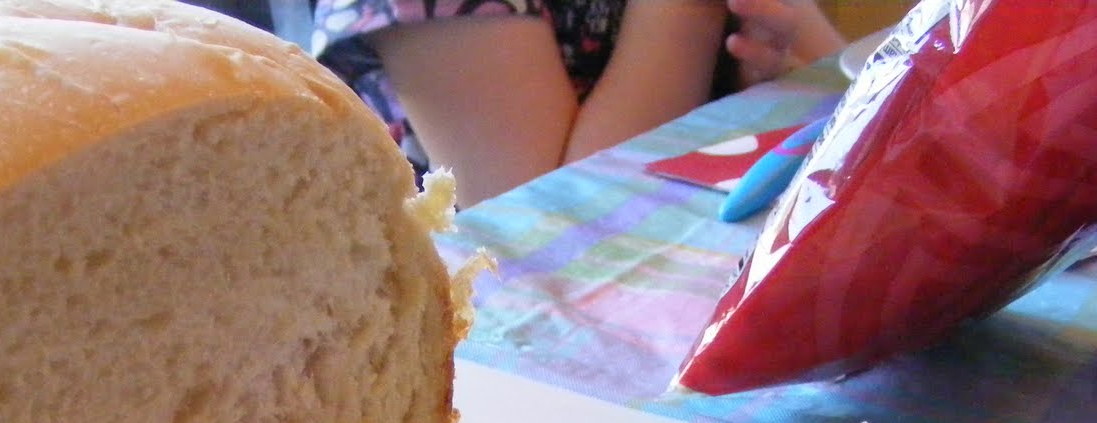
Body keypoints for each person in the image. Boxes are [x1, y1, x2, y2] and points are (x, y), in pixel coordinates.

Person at [313, 0, 847, 205]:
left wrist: (776, 71)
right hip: (497, 327)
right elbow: (544, 213)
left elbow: (862, 87)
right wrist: (688, 14)